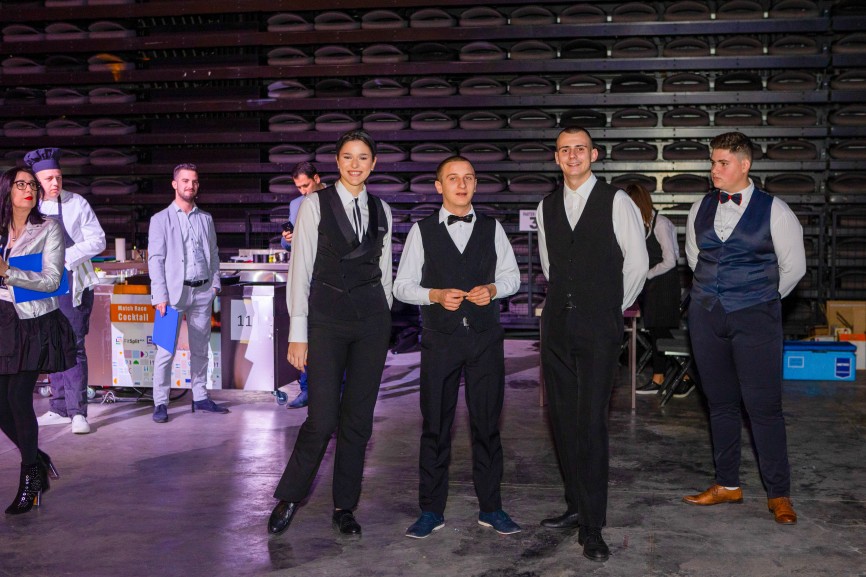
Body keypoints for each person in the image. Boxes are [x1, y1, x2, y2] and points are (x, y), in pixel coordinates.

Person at [268, 129, 392, 537]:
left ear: (373, 164)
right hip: (326, 321)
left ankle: (344, 507)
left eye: (363, 157)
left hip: (371, 324)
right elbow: (300, 269)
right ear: (337, 163)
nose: (355, 165)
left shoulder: (383, 209)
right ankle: (290, 496)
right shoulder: (314, 205)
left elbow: (385, 273)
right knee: (321, 419)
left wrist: (384, 316)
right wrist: (298, 332)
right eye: (348, 157)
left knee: (358, 421)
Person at [394, 156, 522, 539]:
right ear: (439, 186)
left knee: (487, 426)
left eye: (468, 178)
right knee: (435, 426)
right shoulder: (421, 232)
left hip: (485, 340)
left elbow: (513, 277)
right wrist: (433, 295)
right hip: (440, 340)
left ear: (476, 184)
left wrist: (494, 289)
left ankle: (492, 508)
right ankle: (431, 511)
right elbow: (401, 286)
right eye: (453, 178)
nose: (461, 185)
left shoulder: (492, 228)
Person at [536, 126, 648, 562]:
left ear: (594, 155)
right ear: (556, 157)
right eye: (565, 150)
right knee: (562, 419)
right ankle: (574, 505)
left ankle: (593, 525)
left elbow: (637, 263)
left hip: (599, 326)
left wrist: (607, 310)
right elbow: (550, 265)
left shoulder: (616, 201)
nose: (572, 156)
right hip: (557, 327)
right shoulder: (546, 206)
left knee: (591, 424)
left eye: (580, 149)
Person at [682, 132, 806, 525]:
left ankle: (779, 494)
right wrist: (715, 297)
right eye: (713, 162)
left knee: (764, 408)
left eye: (723, 163)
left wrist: (758, 300)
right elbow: (694, 258)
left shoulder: (776, 210)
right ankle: (727, 484)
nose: (714, 170)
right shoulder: (700, 207)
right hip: (706, 314)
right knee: (719, 403)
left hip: (755, 316)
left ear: (745, 165)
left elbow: (794, 269)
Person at [0, 166, 76, 514]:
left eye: (32, 184)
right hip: (3, 320)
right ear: (7, 189)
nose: (29, 189)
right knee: (2, 405)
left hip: (33, 323)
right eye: (21, 184)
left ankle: (30, 478)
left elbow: (51, 280)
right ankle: (39, 459)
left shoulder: (48, 228)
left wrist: (8, 272)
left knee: (18, 398)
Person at [25, 148, 105, 435]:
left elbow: (98, 240)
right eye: (49, 178)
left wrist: (63, 256)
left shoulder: (76, 203)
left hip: (72, 281)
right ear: (36, 181)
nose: (55, 183)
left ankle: (78, 412)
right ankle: (58, 407)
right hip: (40, 283)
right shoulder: (28, 207)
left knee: (73, 345)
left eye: (58, 177)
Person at [147, 163, 227, 423]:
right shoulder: (160, 219)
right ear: (174, 184)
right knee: (165, 351)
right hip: (171, 296)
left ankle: (200, 397)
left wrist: (214, 285)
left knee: (201, 350)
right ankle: (160, 402)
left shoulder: (206, 218)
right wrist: (159, 295)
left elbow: (213, 253)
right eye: (184, 181)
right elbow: (155, 260)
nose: (189, 185)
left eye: (193, 181)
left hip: (202, 292)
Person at [626, 183, 689, 397]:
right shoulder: (644, 225)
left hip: (664, 285)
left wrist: (647, 274)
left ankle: (677, 377)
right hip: (653, 286)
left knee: (662, 332)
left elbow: (671, 260)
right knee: (656, 331)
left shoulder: (660, 223)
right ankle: (668, 376)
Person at [280, 162, 326, 409]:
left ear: (317, 178)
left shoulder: (334, 199)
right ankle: (307, 389)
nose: (303, 191)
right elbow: (287, 245)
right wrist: (287, 239)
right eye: (298, 187)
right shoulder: (296, 205)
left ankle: (337, 389)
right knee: (304, 333)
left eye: (306, 185)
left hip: (330, 277)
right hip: (306, 277)